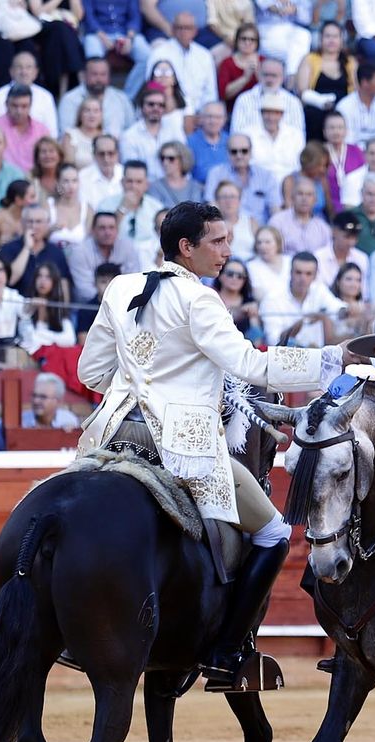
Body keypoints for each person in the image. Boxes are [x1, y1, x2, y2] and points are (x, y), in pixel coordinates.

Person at [80, 200, 353, 682]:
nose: (228, 251)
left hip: (112, 435)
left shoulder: (122, 286)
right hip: (181, 447)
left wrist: (145, 381)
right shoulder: (201, 299)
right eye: (218, 241)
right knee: (272, 533)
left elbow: (92, 372)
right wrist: (331, 358)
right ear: (186, 248)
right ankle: (227, 650)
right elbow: (252, 366)